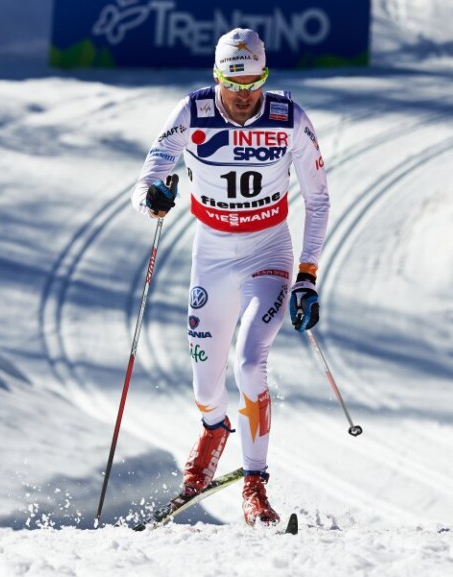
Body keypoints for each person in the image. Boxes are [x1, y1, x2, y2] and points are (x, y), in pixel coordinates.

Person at [131, 27, 329, 527]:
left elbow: (318, 199)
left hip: (269, 251)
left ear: (265, 76)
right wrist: (152, 198)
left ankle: (255, 486)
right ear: (215, 76)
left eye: (254, 84)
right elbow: (150, 174)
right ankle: (214, 429)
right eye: (233, 84)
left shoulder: (288, 118)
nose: (243, 96)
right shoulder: (192, 112)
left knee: (249, 362)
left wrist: (307, 275)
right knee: (205, 382)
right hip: (213, 255)